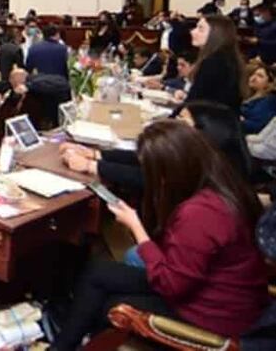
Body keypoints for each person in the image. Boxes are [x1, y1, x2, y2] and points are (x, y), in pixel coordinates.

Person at [55, 119, 267, 349]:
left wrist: (136, 227)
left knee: (110, 304)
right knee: (98, 271)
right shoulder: (221, 184)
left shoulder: (200, 214)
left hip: (212, 314)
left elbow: (171, 285)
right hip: (216, 294)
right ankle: (65, 343)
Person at [61, 100, 252, 191]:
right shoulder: (207, 157)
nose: (175, 122)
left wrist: (91, 166)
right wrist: (96, 155)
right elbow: (146, 158)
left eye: (182, 120)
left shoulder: (207, 172)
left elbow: (149, 176)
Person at [184, 14, 245, 109]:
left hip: (212, 120)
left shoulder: (214, 62)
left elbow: (195, 100)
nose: (192, 32)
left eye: (200, 29)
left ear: (216, 34)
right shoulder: (227, 58)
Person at [241, 63, 276, 135]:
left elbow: (257, 125)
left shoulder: (268, 101)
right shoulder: (244, 96)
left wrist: (238, 120)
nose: (254, 78)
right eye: (253, 74)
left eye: (260, 76)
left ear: (269, 83)